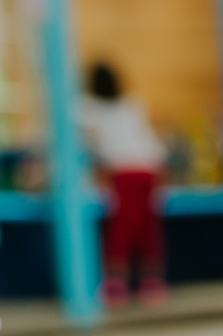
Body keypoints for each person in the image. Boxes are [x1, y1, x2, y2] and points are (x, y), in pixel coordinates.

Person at [80, 62, 169, 309]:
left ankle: (116, 284)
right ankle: (152, 283)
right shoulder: (132, 105)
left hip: (122, 171)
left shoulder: (87, 110)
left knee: (121, 227)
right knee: (147, 226)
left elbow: (93, 146)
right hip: (149, 168)